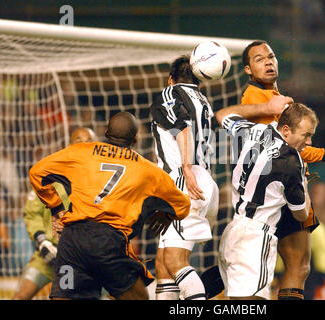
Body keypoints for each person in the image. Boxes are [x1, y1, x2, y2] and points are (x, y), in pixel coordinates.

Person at [28, 111, 191, 300]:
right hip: (108, 243)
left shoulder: (81, 152)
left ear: (106, 133)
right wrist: (166, 215)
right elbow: (183, 205)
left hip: (73, 242)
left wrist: (56, 209)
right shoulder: (149, 171)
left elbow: (36, 172)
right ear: (136, 139)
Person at [240, 40, 325, 300]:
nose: (268, 62)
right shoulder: (256, 99)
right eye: (259, 59)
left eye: (271, 56)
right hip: (276, 194)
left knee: (298, 266)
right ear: (247, 69)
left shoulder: (273, 96)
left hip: (279, 191)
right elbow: (286, 147)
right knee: (278, 268)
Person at [216, 99, 318, 300]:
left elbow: (222, 114)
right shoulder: (291, 160)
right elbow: (301, 214)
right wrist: (304, 186)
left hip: (233, 230)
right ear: (286, 130)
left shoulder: (253, 131)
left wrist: (265, 108)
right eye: (306, 135)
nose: (309, 142)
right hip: (257, 237)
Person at [150, 55, 219, 300]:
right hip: (203, 181)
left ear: (170, 79)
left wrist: (187, 168)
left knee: (175, 260)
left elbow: (182, 128)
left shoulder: (170, 94)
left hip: (184, 181)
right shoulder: (203, 100)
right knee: (163, 264)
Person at [12, 127, 97, 300]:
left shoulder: (100, 178)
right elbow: (32, 213)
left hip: (80, 258)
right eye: (79, 141)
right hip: (46, 254)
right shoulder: (48, 173)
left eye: (89, 141)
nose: (83, 145)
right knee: (20, 296)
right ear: (69, 145)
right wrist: (42, 241)